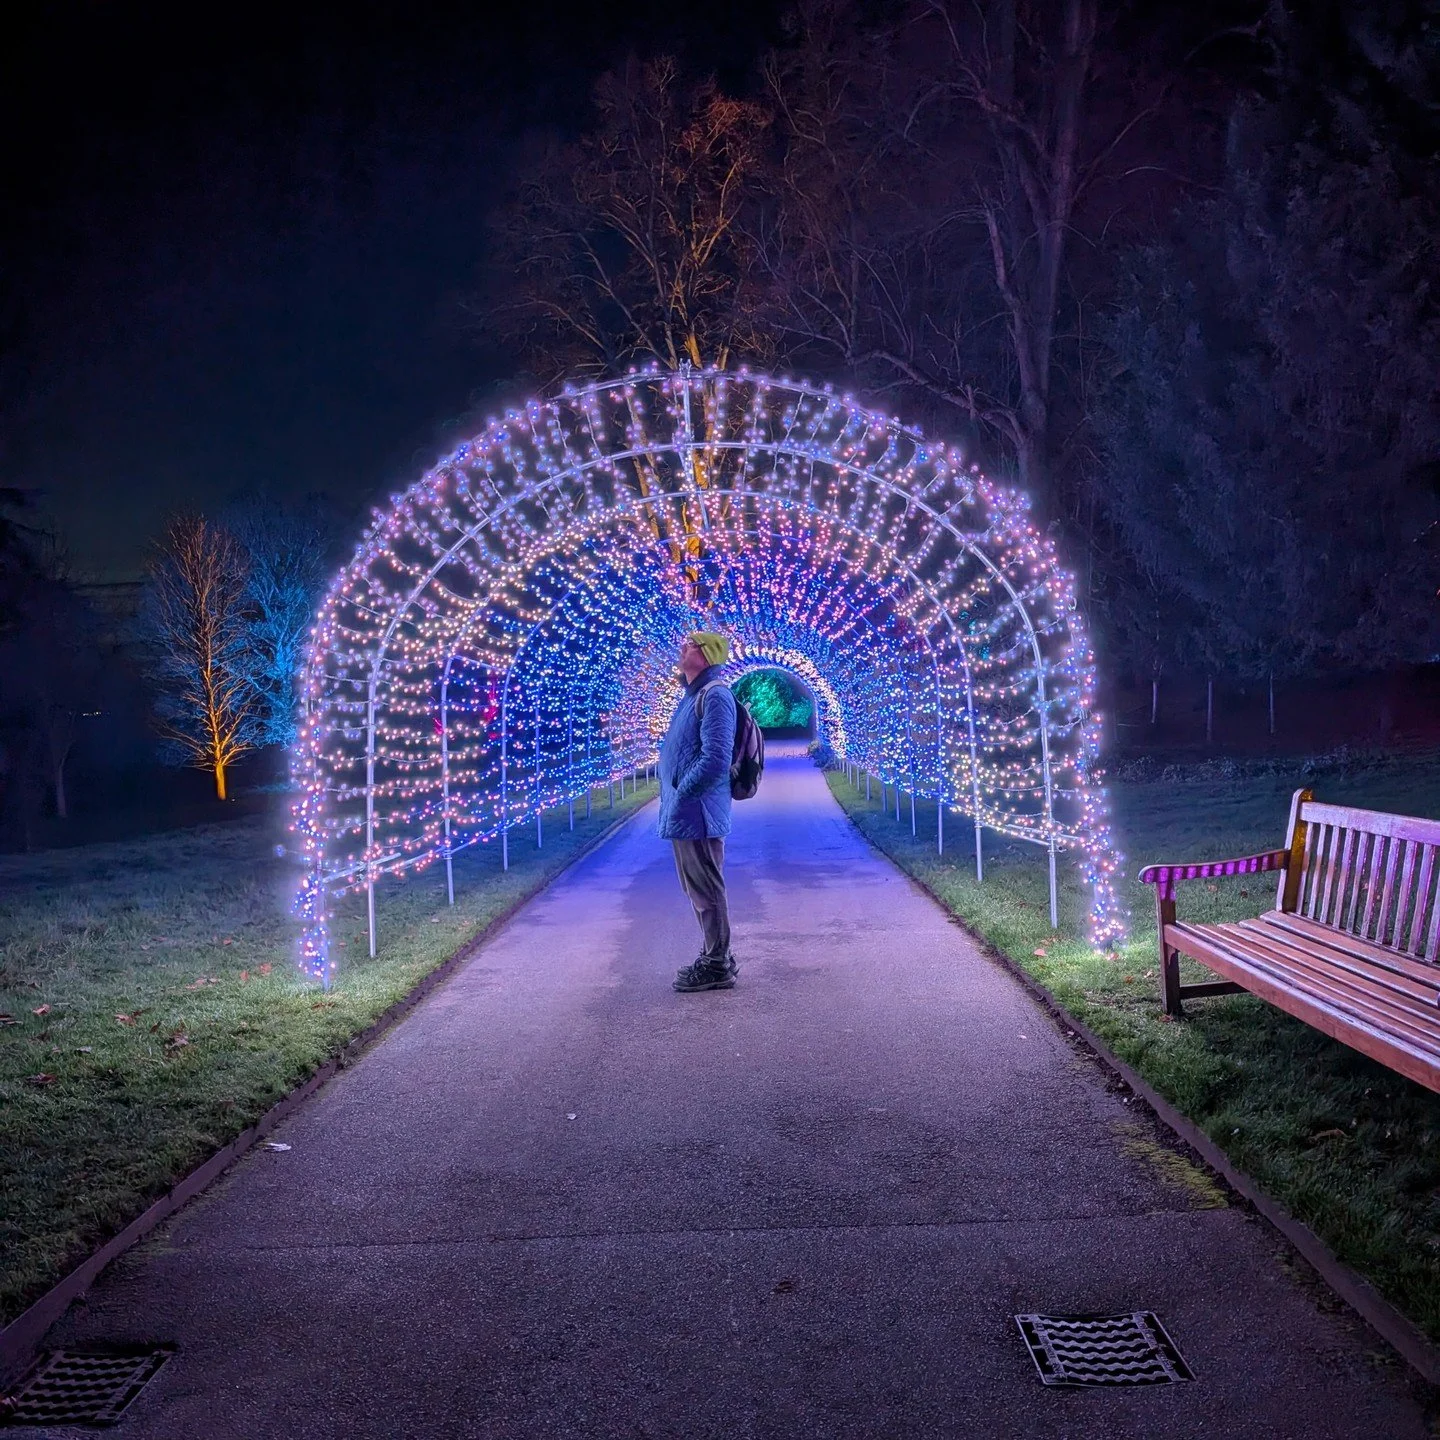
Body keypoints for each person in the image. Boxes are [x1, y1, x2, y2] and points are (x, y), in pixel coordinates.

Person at [658, 631, 738, 993]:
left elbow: (715, 759)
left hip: (698, 812)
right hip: (685, 812)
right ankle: (714, 953)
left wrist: (682, 794)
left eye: (690, 644)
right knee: (698, 889)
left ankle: (717, 963)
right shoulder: (690, 697)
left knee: (706, 888)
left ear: (706, 655)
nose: (682, 648)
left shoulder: (715, 695)